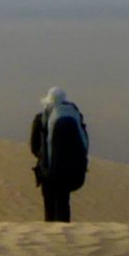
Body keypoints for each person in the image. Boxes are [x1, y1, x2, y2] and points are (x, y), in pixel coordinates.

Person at [29, 87, 89, 223]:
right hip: (71, 170)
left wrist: (45, 158)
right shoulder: (75, 116)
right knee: (63, 200)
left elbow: (34, 147)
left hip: (48, 171)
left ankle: (52, 236)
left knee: (49, 202)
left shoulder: (41, 119)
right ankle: (64, 235)